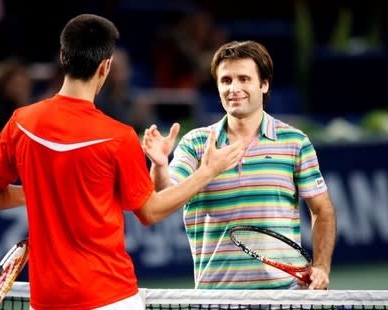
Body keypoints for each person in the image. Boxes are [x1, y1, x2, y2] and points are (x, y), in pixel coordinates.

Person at [0, 14, 244, 310]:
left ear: (63, 57)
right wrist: (207, 172)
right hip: (111, 298)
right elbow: (149, 212)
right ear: (105, 67)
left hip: (48, 301)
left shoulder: (21, 123)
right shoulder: (117, 137)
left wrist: (45, 190)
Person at [142, 40, 337, 290]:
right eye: (226, 81)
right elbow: (163, 196)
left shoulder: (295, 142)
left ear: (264, 84)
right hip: (215, 300)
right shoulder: (196, 142)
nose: (234, 88)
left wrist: (321, 266)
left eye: (244, 79)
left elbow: (322, 210)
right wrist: (159, 166)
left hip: (282, 299)